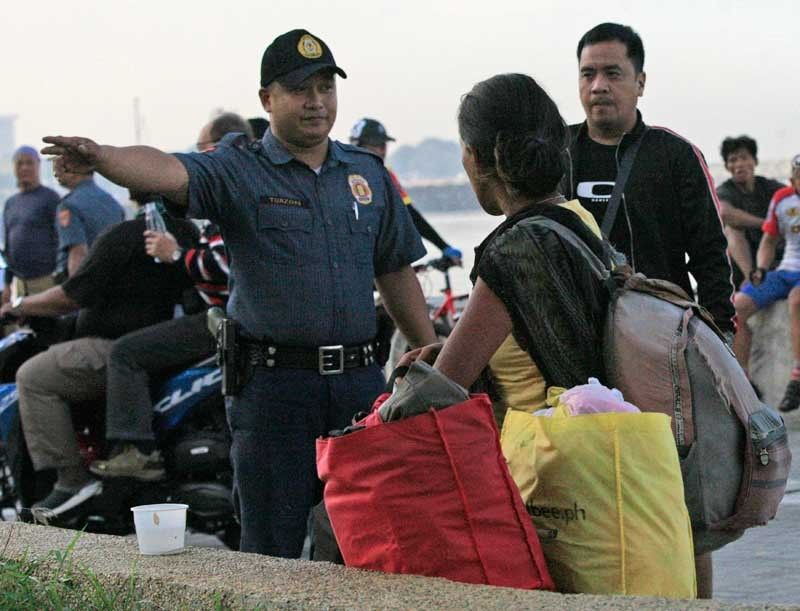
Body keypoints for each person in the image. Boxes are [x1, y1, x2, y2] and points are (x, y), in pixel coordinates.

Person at [41, 28, 436, 557]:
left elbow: (394, 272)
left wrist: (428, 353)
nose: (316, 101)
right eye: (300, 89)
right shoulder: (238, 170)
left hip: (358, 387)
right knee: (269, 550)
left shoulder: (366, 174)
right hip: (274, 390)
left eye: (325, 87)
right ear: (267, 100)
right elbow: (168, 168)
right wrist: (101, 155)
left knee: (365, 547)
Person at [403, 72, 609, 428]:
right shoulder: (577, 219)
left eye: (463, 150)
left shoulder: (515, 252)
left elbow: (439, 390)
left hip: (538, 465)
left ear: (479, 159)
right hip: (593, 444)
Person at [0, 208, 197, 520]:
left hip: (117, 343)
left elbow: (72, 294)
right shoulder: (186, 233)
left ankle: (71, 481)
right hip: (158, 340)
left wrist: (19, 306)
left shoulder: (128, 234)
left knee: (33, 376)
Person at [90, 115, 243, 480]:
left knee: (125, 353)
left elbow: (224, 266)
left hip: (223, 318)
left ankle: (137, 450)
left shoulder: (229, 195)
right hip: (233, 316)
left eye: (203, 146)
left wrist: (176, 255)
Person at [562, 22, 735, 338]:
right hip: (574, 336)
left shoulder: (674, 155)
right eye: (588, 74)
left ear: (640, 83)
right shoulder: (557, 153)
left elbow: (710, 254)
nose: (598, 85)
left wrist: (720, 332)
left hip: (660, 336)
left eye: (612, 74)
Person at [733, 155, 800, 413]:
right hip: (785, 270)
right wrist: (760, 268)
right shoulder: (783, 200)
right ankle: (743, 378)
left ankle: (796, 376)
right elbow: (769, 241)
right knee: (739, 304)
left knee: (796, 299)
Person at [349, 117, 462, 263]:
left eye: (384, 144)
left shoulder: (385, 173)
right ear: (358, 145)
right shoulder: (340, 174)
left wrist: (444, 247)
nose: (383, 150)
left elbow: (409, 214)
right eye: (377, 144)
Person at [716, 136, 786, 288]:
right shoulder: (725, 190)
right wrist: (767, 224)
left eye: (744, 158)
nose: (739, 164)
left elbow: (792, 198)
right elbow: (724, 213)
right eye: (733, 160)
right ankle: (751, 279)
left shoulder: (770, 186)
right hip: (743, 260)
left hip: (774, 252)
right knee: (732, 230)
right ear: (727, 166)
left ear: (754, 161)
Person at [2, 146, 60, 303]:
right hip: (20, 285)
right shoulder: (11, 203)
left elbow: (62, 240)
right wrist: (6, 284)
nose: (24, 168)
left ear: (38, 165)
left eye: (29, 163)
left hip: (46, 282)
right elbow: (8, 247)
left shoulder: (51, 199)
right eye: (20, 163)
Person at [54, 168, 125, 279]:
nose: (55, 172)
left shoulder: (69, 205)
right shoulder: (112, 202)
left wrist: (75, 290)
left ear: (73, 170)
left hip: (83, 281)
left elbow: (78, 253)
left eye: (60, 166)